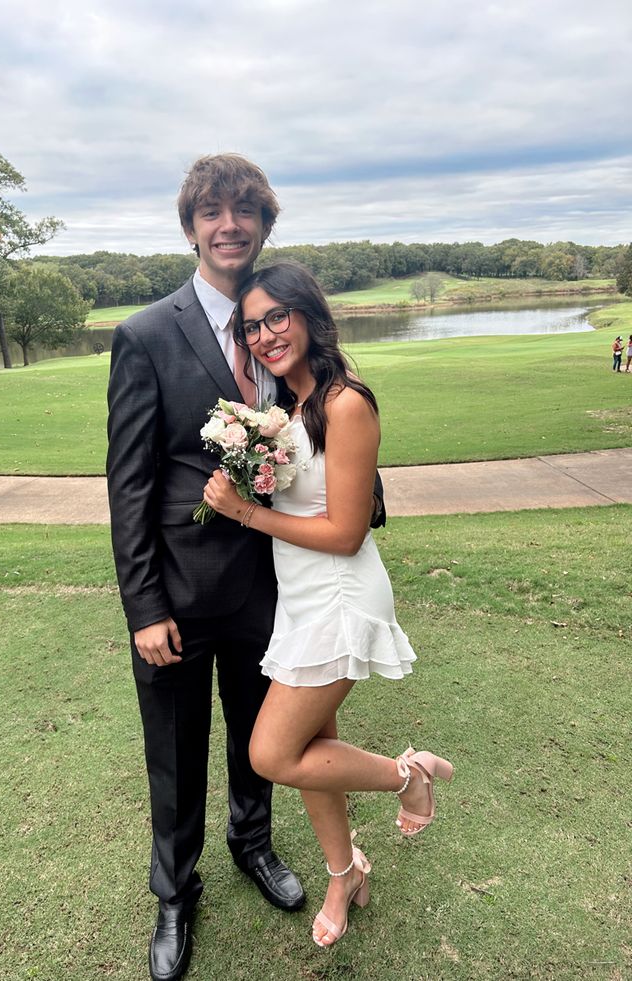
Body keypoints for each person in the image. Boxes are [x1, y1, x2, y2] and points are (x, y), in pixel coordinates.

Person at [106, 155, 385, 981]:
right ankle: (174, 889)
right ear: (191, 226)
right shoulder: (146, 333)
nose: (230, 224)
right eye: (213, 212)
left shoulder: (277, 328)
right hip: (179, 596)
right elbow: (129, 484)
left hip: (275, 589)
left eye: (246, 211)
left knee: (257, 739)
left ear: (264, 224)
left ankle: (253, 843)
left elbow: (329, 439)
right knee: (176, 744)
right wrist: (142, 604)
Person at [203, 261, 454, 949]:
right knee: (314, 747)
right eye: (252, 325)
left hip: (341, 599)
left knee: (271, 752)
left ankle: (410, 773)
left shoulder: (346, 403)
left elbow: (345, 535)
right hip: (299, 601)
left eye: (276, 316)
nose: (264, 334)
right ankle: (344, 872)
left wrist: (245, 515)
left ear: (310, 314)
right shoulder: (285, 411)